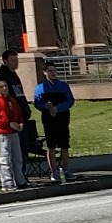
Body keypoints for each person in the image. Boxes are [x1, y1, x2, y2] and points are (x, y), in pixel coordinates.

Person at [32, 55, 76, 184]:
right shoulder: (40, 88)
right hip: (48, 120)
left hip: (62, 118)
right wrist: (45, 107)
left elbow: (70, 100)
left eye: (54, 71)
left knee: (64, 145)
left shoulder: (63, 86)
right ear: (45, 72)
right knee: (51, 145)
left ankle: (66, 169)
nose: (53, 73)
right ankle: (54, 171)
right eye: (50, 71)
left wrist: (58, 108)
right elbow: (37, 103)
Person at [0, 61, 29, 191]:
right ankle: (7, 182)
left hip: (14, 132)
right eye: (2, 87)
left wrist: (20, 122)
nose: (5, 88)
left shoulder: (12, 100)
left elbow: (18, 113)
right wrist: (8, 123)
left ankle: (20, 180)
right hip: (3, 132)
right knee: (5, 158)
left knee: (17, 157)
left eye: (6, 86)